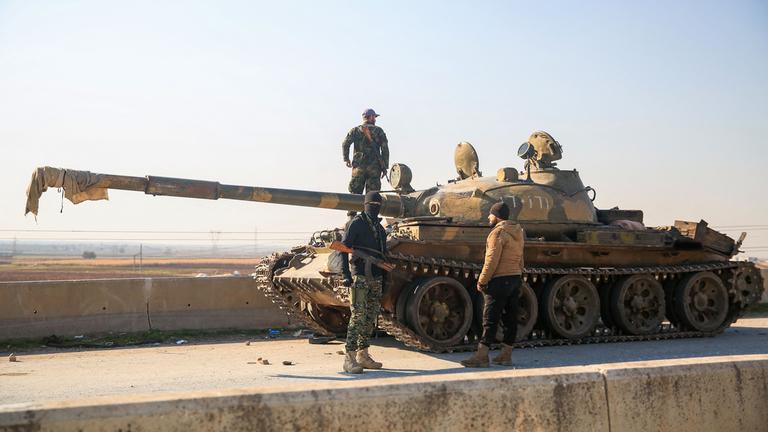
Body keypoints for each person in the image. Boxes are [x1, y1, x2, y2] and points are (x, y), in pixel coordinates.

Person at [461, 202, 525, 368]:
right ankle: (506, 355)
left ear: (496, 215)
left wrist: (482, 280)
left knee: (490, 318)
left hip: (499, 279)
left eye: (490, 214)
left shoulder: (497, 233)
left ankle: (482, 356)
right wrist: (519, 276)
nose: (488, 217)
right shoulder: (518, 231)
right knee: (510, 318)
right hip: (514, 277)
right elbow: (521, 258)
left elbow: (491, 260)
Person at [340, 191, 389, 373]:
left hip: (376, 277)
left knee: (370, 317)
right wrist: (346, 274)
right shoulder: (357, 224)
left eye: (378, 205)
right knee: (358, 316)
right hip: (360, 276)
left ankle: (363, 354)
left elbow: (384, 255)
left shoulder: (380, 228)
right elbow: (343, 249)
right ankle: (349, 358)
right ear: (366, 205)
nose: (375, 208)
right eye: (372, 205)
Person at [342, 108, 389, 195]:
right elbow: (385, 149)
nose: (375, 119)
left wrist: (346, 159)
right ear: (370, 117)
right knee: (372, 197)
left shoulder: (355, 130)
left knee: (354, 196)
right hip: (374, 168)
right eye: (374, 117)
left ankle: (353, 209)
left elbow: (345, 143)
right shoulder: (379, 131)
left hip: (358, 167)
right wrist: (384, 166)